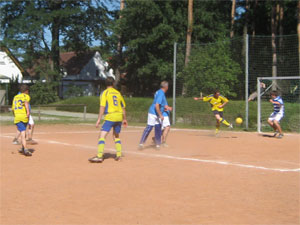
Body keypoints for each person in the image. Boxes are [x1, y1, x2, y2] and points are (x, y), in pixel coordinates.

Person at [89, 77, 128, 163]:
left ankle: (99, 156)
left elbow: (102, 107)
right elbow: (123, 107)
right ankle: (118, 155)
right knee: (116, 136)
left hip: (110, 116)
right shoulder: (118, 93)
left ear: (105, 84)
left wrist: (99, 119)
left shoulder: (104, 93)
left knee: (102, 136)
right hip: (119, 117)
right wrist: (124, 119)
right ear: (113, 83)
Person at [139, 81, 169, 150]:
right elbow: (157, 105)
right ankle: (141, 143)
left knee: (158, 128)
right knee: (149, 127)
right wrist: (160, 115)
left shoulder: (159, 91)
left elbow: (161, 104)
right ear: (166, 87)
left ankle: (158, 144)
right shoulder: (161, 93)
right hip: (153, 113)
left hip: (156, 113)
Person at [11, 84, 32, 156]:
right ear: (26, 91)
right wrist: (28, 112)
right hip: (24, 116)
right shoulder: (26, 96)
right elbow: (26, 103)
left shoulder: (15, 97)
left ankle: (23, 147)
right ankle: (26, 149)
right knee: (23, 132)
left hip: (17, 116)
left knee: (23, 131)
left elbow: (13, 109)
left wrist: (15, 115)